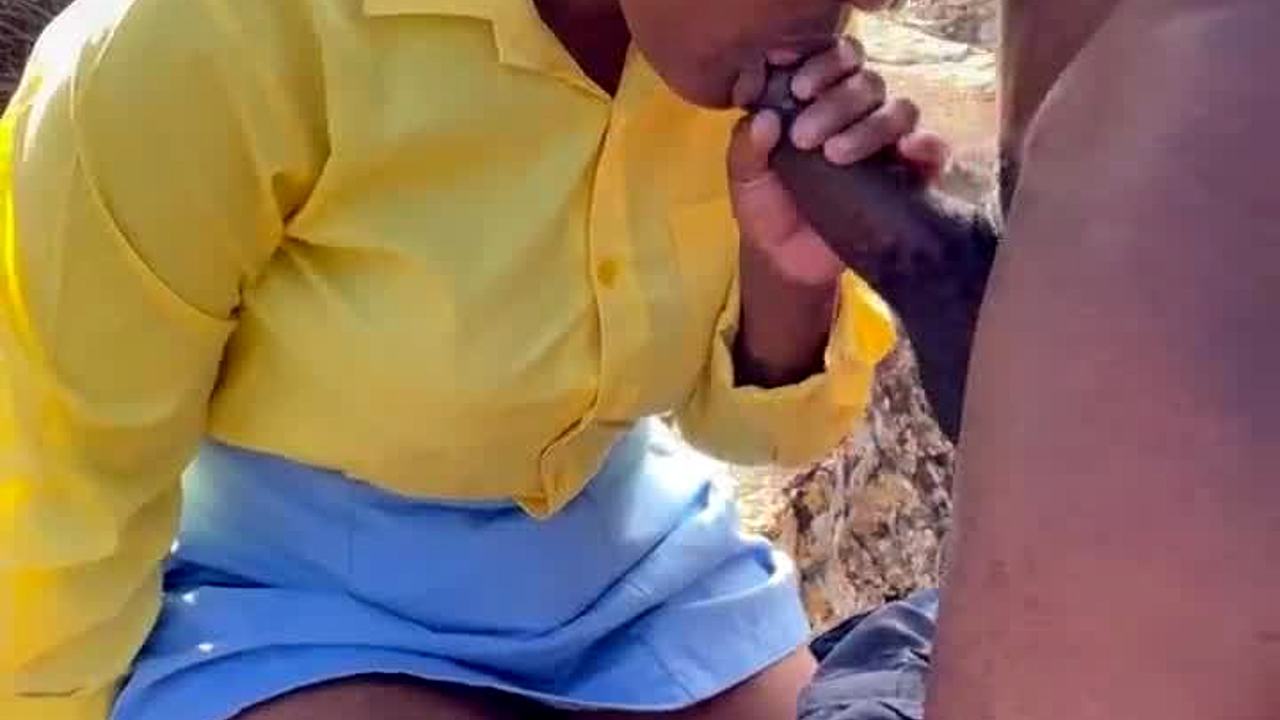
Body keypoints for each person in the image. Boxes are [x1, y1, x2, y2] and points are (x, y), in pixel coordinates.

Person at [0, 0, 949, 718]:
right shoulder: (208, 39)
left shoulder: (738, 48)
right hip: (289, 605)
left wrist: (794, 272)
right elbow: (61, 467)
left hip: (634, 578)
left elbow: (752, 434)